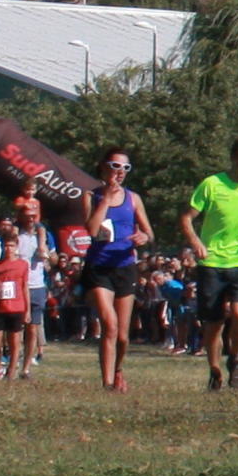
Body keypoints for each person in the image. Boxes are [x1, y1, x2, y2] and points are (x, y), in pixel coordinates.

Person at [183, 137, 238, 391]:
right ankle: (214, 371)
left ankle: (234, 358)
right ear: (234, 158)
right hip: (212, 262)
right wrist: (196, 242)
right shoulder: (211, 185)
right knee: (214, 323)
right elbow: (187, 218)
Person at [78, 147, 148, 392]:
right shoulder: (91, 196)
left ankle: (118, 369)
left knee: (123, 336)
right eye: (116, 166)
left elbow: (148, 232)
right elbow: (91, 229)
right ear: (104, 167)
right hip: (99, 267)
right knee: (110, 325)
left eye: (125, 168)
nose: (120, 172)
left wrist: (143, 236)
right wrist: (106, 199)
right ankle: (107, 383)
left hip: (125, 266)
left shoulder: (133, 198)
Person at [0, 197, 43, 384]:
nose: (9, 249)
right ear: (2, 247)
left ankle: (11, 370)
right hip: (0, 307)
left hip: (16, 307)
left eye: (12, 246)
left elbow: (24, 287)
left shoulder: (22, 265)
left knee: (15, 341)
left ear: (17, 248)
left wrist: (27, 310)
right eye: (6, 246)